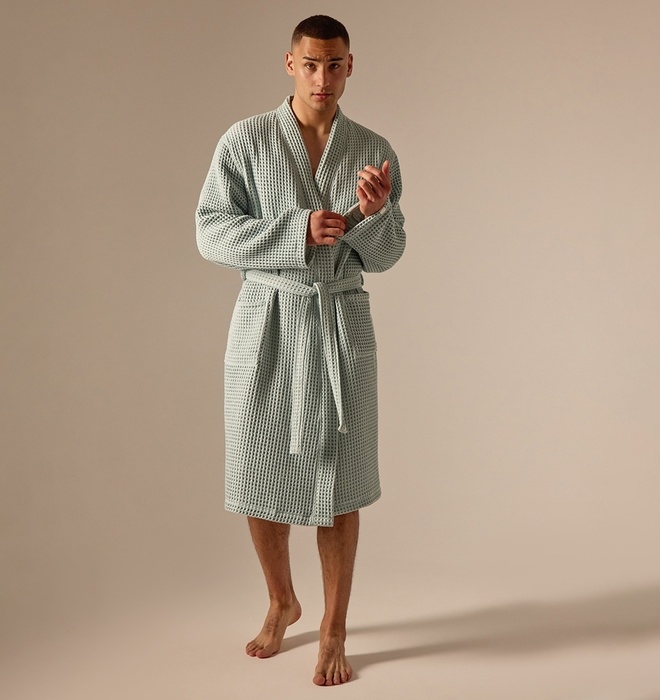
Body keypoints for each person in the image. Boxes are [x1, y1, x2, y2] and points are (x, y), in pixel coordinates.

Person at [195, 14, 405, 686]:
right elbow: (210, 232)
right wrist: (296, 231)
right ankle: (282, 600)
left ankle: (334, 628)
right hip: (267, 321)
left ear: (350, 66)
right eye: (310, 64)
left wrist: (377, 214)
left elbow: (389, 255)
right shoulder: (246, 140)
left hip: (339, 323)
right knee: (258, 471)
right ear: (290, 64)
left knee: (340, 480)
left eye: (334, 64)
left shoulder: (373, 150)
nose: (322, 78)